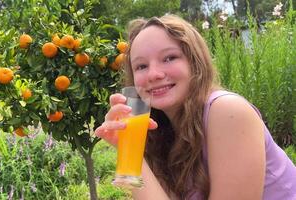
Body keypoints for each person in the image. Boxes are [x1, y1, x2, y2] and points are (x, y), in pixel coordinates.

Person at [94, 14, 296, 200]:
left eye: (169, 58)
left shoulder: (228, 112)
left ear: (195, 63)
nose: (153, 74)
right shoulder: (161, 131)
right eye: (141, 66)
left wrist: (132, 159)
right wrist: (128, 148)